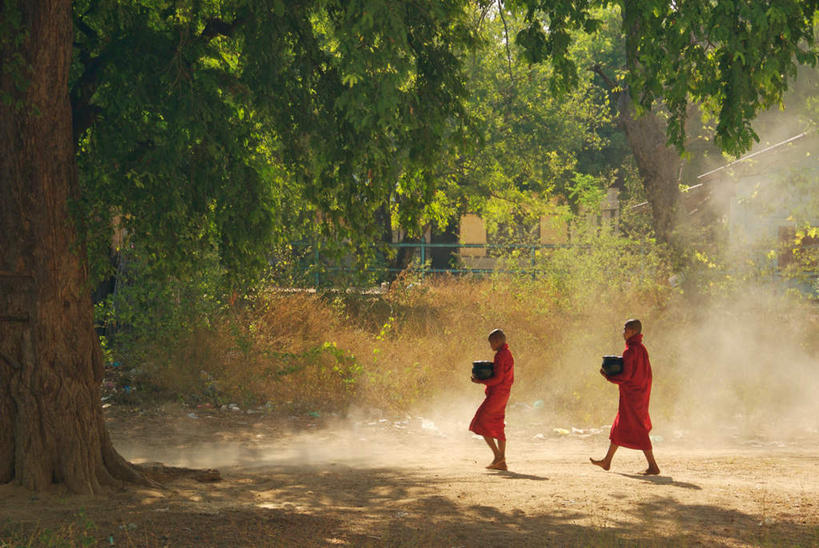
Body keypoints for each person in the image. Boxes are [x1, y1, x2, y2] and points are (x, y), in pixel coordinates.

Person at [590, 319, 660, 475]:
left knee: (638, 428)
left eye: (626, 329)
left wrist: (608, 376)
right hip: (640, 392)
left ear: (633, 331)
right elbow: (645, 374)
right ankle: (607, 461)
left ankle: (653, 466)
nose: (623, 333)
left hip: (632, 395)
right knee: (619, 426)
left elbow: (626, 376)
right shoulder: (641, 349)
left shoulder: (630, 351)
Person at [470, 328, 514, 471]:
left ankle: (498, 456)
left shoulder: (500, 356)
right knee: (497, 423)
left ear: (496, 341)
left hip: (497, 394)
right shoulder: (507, 354)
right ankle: (501, 460)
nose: (491, 346)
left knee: (480, 422)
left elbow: (498, 379)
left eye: (491, 343)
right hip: (504, 393)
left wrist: (480, 381)